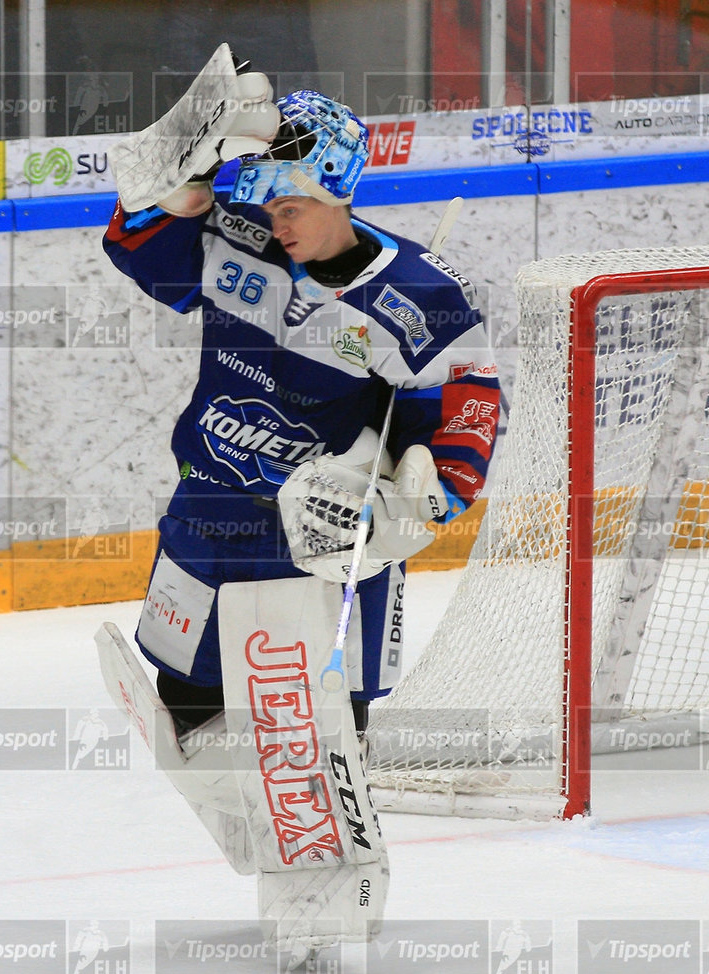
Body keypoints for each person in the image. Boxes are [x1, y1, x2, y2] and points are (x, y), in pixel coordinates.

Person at [102, 87, 500, 737]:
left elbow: (465, 411)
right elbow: (138, 253)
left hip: (330, 540)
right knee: (190, 713)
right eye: (269, 207)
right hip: (211, 514)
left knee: (331, 731)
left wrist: (426, 500)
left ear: (337, 193)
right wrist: (164, 202)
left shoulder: (420, 297)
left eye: (291, 208)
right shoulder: (240, 232)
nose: (276, 225)